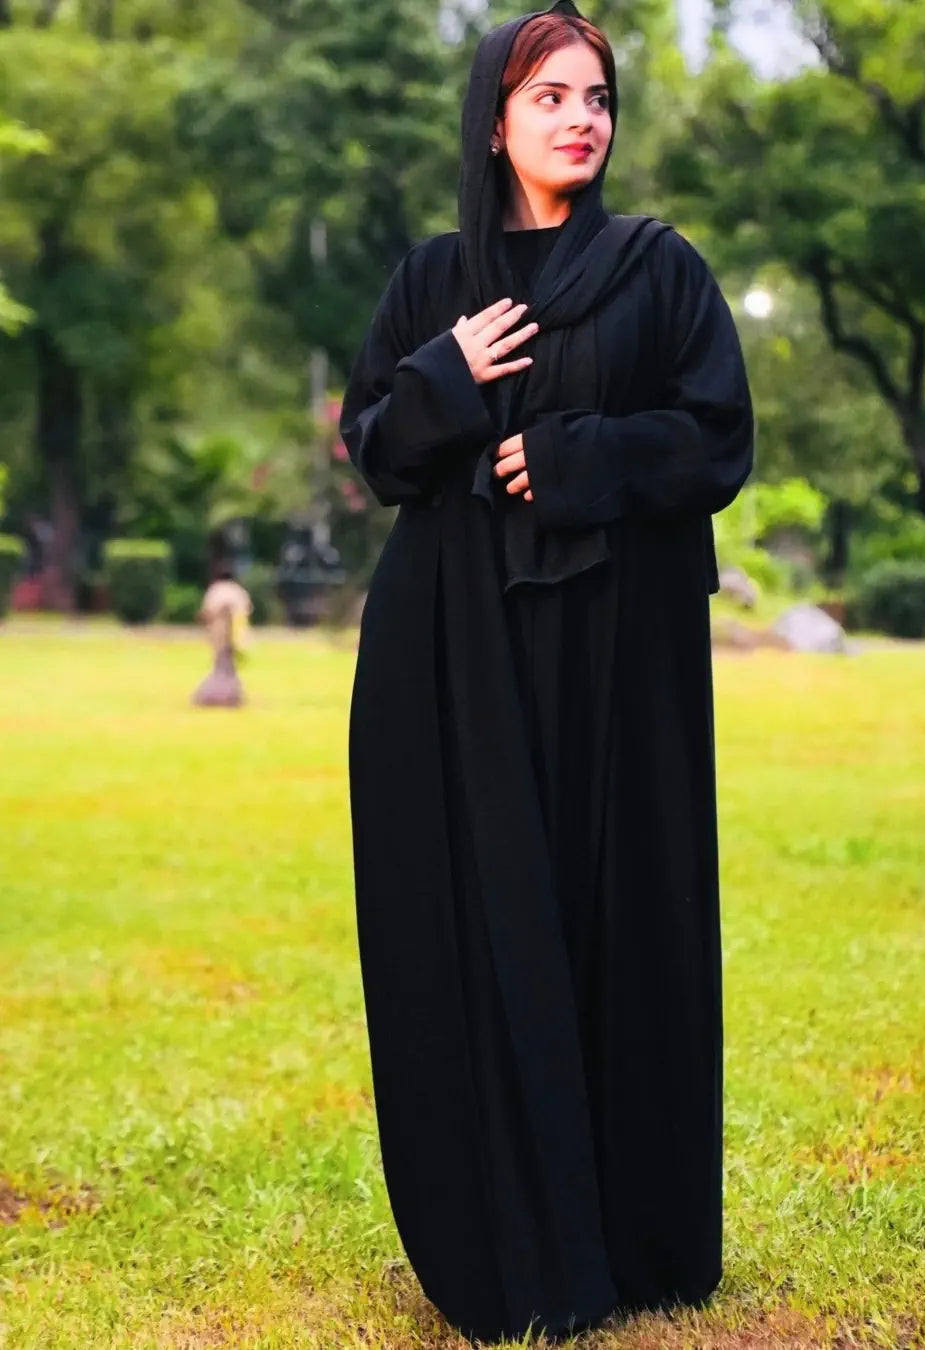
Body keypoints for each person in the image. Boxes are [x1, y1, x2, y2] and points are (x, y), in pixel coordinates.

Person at [338, 2, 754, 1342]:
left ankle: (634, 1235)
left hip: (620, 652)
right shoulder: (431, 283)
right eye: (553, 95)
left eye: (598, 96)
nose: (584, 115)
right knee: (473, 919)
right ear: (496, 120)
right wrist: (447, 374)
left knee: (622, 916)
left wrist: (583, 458)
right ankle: (499, 1232)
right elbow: (379, 452)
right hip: (453, 651)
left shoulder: (659, 272)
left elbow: (714, 441)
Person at [192, 560, 252, 707]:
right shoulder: (238, 591)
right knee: (229, 666)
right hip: (236, 634)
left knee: (221, 663)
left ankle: (218, 695)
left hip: (220, 633)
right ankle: (231, 694)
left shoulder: (216, 590)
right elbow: (246, 610)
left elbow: (209, 612)